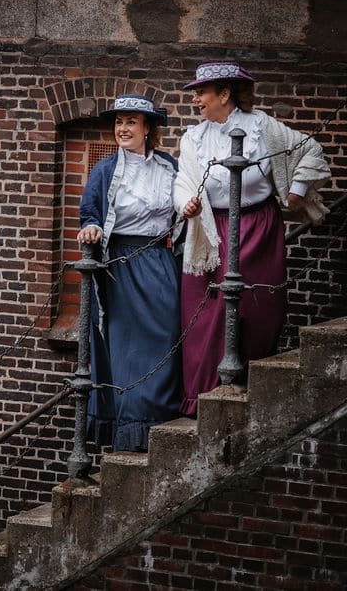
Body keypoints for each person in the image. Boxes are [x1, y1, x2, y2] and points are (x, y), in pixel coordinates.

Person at [173, 62, 331, 415]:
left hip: (258, 228)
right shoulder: (193, 138)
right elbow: (183, 179)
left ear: (225, 94)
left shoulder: (263, 128)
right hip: (210, 231)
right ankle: (202, 399)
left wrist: (297, 191)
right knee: (204, 313)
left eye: (201, 92)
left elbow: (311, 150)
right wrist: (188, 203)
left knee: (257, 308)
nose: (195, 99)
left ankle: (247, 388)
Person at [78, 94, 183, 452]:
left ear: (148, 128)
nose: (123, 128)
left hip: (160, 262)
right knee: (125, 350)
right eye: (119, 122)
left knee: (167, 335)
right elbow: (89, 212)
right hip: (119, 266)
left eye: (131, 122)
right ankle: (129, 430)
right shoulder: (104, 170)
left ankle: (161, 420)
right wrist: (90, 229)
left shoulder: (170, 166)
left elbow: (183, 206)